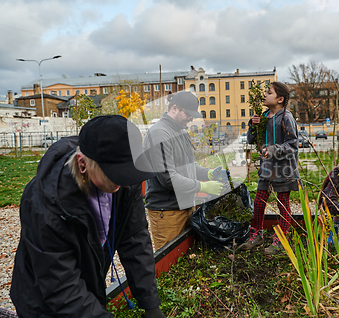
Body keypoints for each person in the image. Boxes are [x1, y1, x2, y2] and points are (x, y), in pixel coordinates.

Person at [10, 115, 167, 318]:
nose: (126, 181)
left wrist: (150, 303)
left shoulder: (125, 180)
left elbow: (135, 238)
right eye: (117, 174)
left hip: (87, 285)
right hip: (43, 300)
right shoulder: (45, 204)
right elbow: (61, 285)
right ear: (82, 164)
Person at [143, 91, 229, 250]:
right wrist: (203, 187)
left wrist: (208, 173)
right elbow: (168, 178)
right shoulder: (159, 134)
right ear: (174, 108)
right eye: (188, 114)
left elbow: (189, 166)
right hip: (167, 211)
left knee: (186, 257)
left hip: (186, 206)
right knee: (169, 264)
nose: (191, 118)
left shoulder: (181, 132)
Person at [238, 82, 301, 255]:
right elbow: (252, 140)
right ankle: (256, 234)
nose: (265, 95)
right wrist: (253, 125)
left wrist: (272, 150)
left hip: (284, 169)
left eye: (269, 92)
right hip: (267, 168)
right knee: (258, 203)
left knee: (283, 204)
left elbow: (293, 146)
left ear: (280, 99)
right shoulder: (265, 116)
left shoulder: (286, 117)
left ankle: (281, 239)